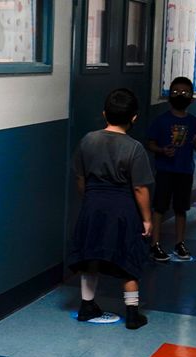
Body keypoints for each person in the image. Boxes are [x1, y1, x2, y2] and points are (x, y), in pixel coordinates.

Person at [67, 88, 155, 330]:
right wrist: (147, 219)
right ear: (134, 118)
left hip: (93, 205)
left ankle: (86, 306)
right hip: (123, 209)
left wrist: (89, 199)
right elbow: (140, 188)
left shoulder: (88, 140)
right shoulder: (134, 148)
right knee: (128, 260)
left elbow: (79, 178)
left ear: (104, 114)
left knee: (90, 257)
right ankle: (133, 314)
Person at [147, 76, 196, 262]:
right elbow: (150, 143)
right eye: (176, 92)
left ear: (191, 98)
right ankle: (155, 244)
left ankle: (180, 243)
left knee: (181, 208)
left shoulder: (194, 122)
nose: (180, 96)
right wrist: (162, 150)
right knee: (160, 207)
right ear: (169, 96)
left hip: (185, 171)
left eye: (185, 93)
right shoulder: (161, 121)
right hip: (165, 170)